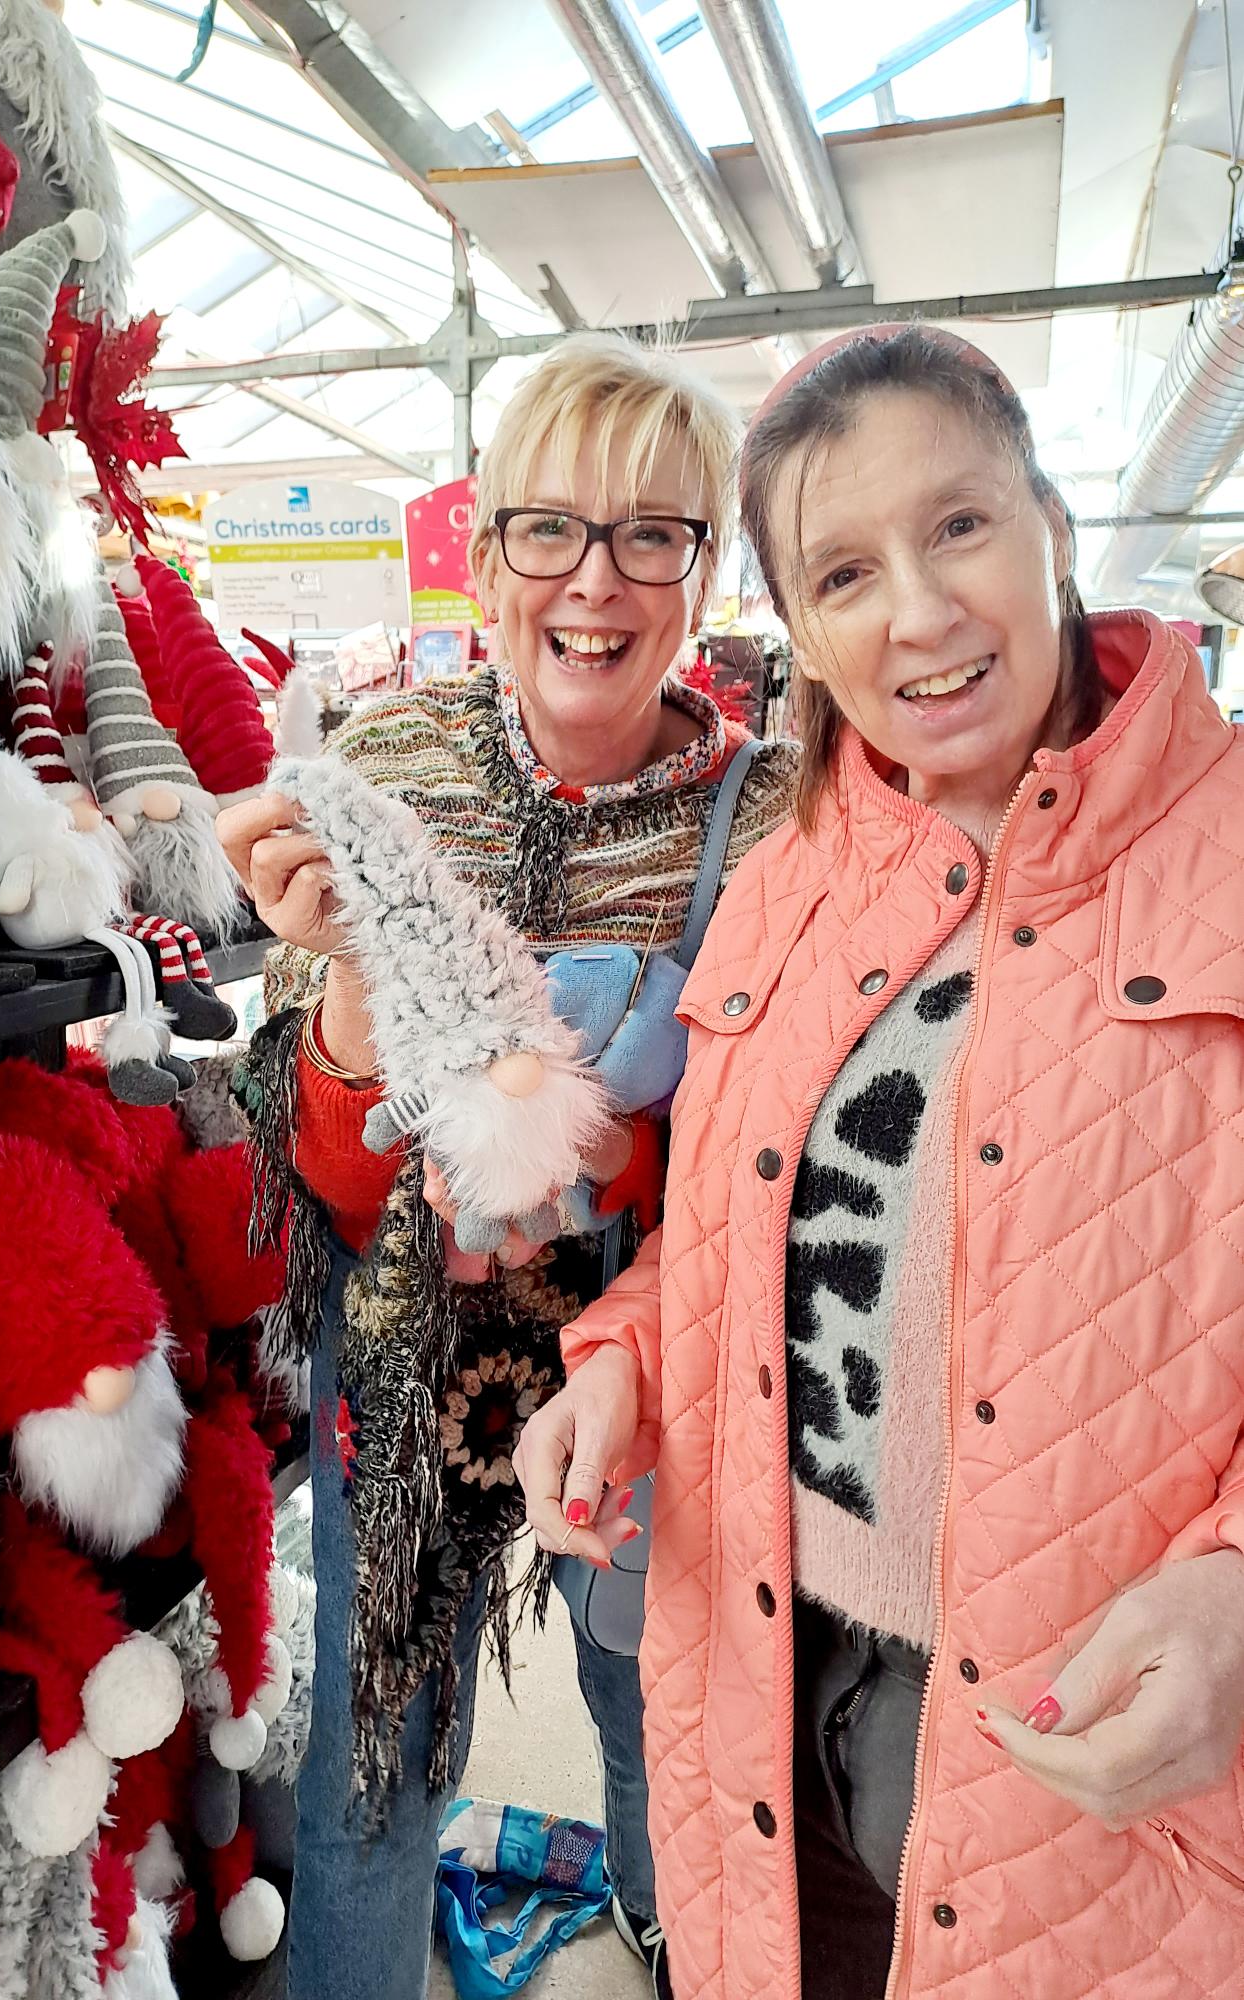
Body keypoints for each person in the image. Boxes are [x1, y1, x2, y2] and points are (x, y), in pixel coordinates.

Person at [515, 323, 1244, 2000]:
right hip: (763, 1701)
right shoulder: (788, 880)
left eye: (961, 528)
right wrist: (621, 1367)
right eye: (846, 571)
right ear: (800, 630)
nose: (916, 612)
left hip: (1086, 1779)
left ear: (1052, 520)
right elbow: (717, 1242)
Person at [218, 330, 796, 2000]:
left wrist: (619, 1162)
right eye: (550, 528)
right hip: (404, 1361)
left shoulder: (767, 824)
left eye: (652, 535)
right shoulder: (378, 776)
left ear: (704, 575)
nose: (595, 581)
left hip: (663, 1367)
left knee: (669, 1731)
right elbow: (321, 1189)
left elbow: (770, 1157)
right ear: (484, 558)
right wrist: (338, 1000)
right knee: (374, 1774)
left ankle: (673, 1952)